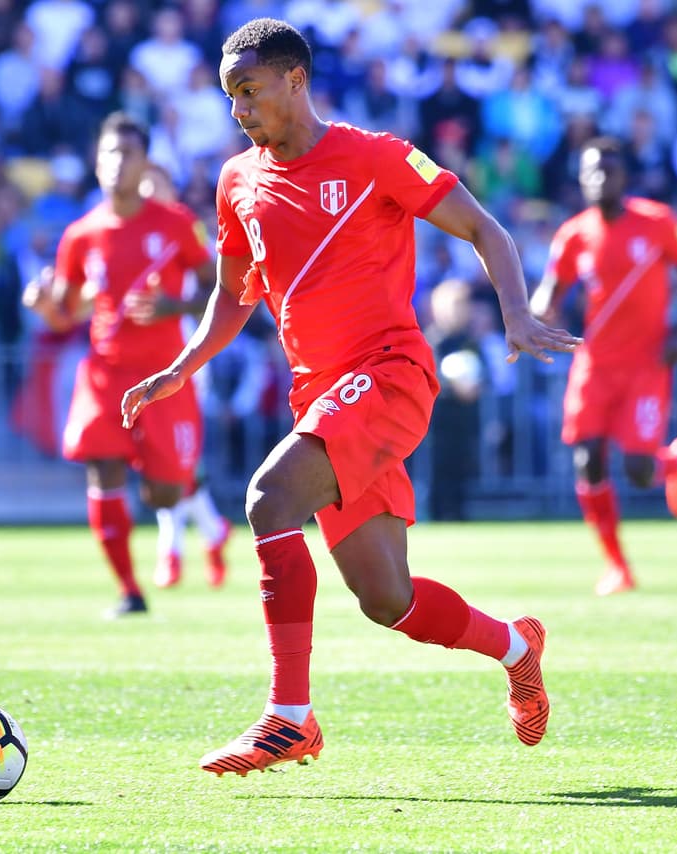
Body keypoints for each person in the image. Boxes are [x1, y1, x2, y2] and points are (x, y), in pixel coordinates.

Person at [121, 19, 580, 776]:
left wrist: (517, 311)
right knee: (385, 599)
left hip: (390, 373)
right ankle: (517, 646)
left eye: (249, 90)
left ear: (294, 80)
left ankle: (288, 718)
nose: (238, 109)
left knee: (270, 499)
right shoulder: (237, 181)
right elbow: (234, 295)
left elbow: (484, 227)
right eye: (229, 95)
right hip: (323, 397)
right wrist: (184, 363)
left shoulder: (376, 157)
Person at [23, 111, 215, 617]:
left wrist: (175, 307)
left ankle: (200, 520)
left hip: (164, 376)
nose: (116, 163)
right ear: (96, 161)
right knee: (102, 471)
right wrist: (44, 305)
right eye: (109, 153)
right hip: (105, 373)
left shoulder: (175, 224)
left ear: (145, 162)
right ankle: (130, 591)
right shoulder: (81, 235)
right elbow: (64, 313)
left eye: (127, 153)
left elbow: (223, 288)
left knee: (164, 489)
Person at [530, 137, 677, 597]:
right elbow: (552, 288)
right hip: (595, 365)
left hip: (646, 364)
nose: (600, 178)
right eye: (591, 171)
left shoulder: (658, 222)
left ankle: (675, 461)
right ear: (581, 178)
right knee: (587, 460)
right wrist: (537, 312)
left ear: (624, 176)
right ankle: (617, 566)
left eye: (609, 170)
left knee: (639, 470)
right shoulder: (573, 234)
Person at [138, 160, 233, 590]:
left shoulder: (183, 229)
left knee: (174, 460)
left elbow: (218, 291)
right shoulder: (121, 233)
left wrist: (171, 308)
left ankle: (170, 550)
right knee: (165, 461)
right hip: (137, 363)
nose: (144, 193)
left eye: (153, 184)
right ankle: (212, 531)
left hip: (183, 360)